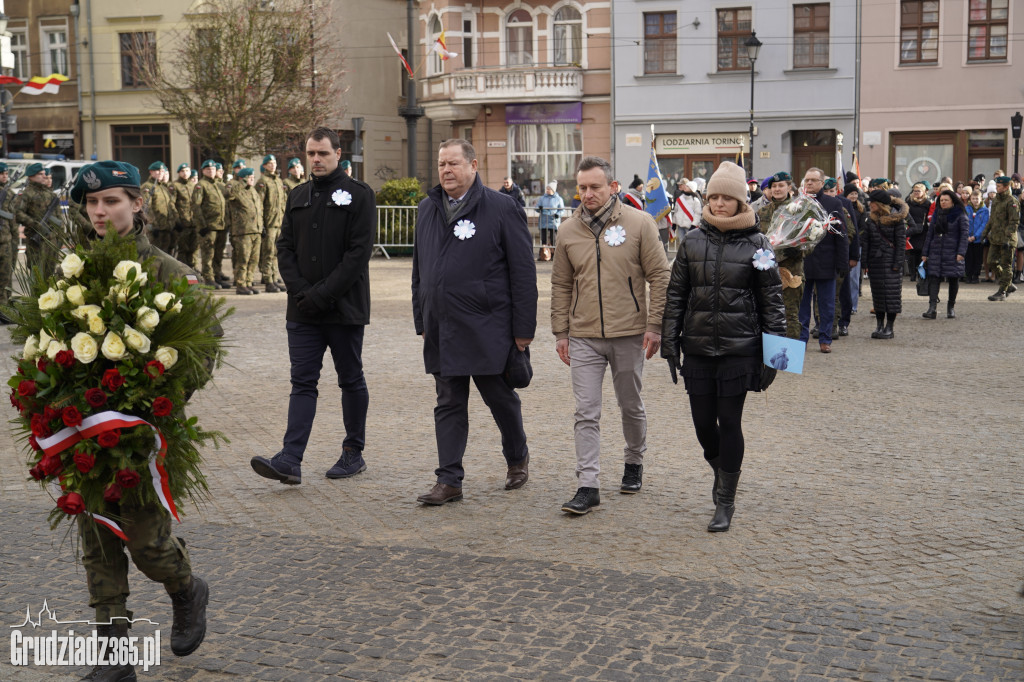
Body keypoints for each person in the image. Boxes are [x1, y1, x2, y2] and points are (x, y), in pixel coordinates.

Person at [69, 160, 214, 679]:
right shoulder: (75, 275)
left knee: (146, 542)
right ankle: (114, 658)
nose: (101, 211)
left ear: (137, 204)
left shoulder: (171, 275)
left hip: (143, 436)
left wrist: (149, 401)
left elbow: (200, 357)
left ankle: (186, 587)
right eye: (92, 203)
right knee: (97, 540)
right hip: (84, 431)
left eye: (111, 200)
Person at [661, 161, 785, 532]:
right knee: (703, 426)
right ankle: (722, 470)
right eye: (712, 196)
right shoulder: (691, 241)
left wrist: (777, 357)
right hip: (698, 347)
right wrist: (670, 343)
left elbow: (773, 302)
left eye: (726, 198)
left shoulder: (758, 243)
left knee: (729, 421)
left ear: (740, 202)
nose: (717, 204)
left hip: (740, 349)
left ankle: (726, 500)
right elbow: (676, 296)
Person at [410, 140, 536, 505]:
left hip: (488, 327)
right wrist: (422, 318)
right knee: (448, 401)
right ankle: (449, 480)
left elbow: (523, 274)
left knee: (500, 398)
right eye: (440, 164)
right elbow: (420, 270)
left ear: (473, 165)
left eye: (453, 163)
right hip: (441, 327)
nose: (445, 170)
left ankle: (517, 458)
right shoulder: (427, 208)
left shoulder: (501, 207)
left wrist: (523, 330)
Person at [250, 127, 376, 484]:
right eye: (311, 154)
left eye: (323, 153)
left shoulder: (360, 195)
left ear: (339, 154)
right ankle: (290, 459)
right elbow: (284, 247)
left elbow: (357, 255)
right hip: (303, 309)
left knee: (350, 379)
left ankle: (353, 452)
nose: (316, 160)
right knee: (302, 382)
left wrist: (322, 294)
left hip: (344, 308)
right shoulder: (298, 195)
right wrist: (302, 291)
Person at [550, 155, 669, 515]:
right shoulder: (568, 230)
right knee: (586, 411)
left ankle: (634, 460)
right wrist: (561, 331)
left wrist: (655, 325)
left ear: (613, 187)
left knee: (630, 405)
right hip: (583, 334)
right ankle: (588, 484)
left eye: (594, 187)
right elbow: (561, 283)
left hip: (629, 332)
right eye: (582, 188)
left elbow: (660, 276)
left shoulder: (640, 223)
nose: (587, 194)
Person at [798, 168, 849, 353]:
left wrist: (843, 263)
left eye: (813, 180)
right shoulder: (798, 203)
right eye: (807, 180)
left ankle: (825, 338)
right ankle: (801, 338)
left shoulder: (833, 202)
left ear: (821, 183)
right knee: (802, 304)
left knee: (827, 304)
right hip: (803, 262)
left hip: (826, 261)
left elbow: (841, 235)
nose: (809, 183)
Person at [758, 171, 803, 339]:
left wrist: (799, 249)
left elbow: (812, 241)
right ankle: (770, 357)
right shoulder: (762, 212)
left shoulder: (799, 210)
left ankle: (789, 358)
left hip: (791, 271)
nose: (777, 189)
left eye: (781, 185)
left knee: (790, 316)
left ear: (789, 187)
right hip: (767, 271)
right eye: (774, 186)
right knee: (768, 314)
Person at [861, 189, 908, 339]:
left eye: (872, 202)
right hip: (875, 262)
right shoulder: (870, 219)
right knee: (878, 296)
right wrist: (865, 263)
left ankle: (889, 327)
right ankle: (879, 325)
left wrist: (897, 264)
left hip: (890, 262)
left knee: (892, 296)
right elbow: (866, 242)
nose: (870, 205)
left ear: (879, 204)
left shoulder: (897, 219)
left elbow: (901, 244)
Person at [921, 189, 968, 319]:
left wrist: (961, 252)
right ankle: (932, 308)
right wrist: (925, 252)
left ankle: (951, 307)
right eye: (941, 200)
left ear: (952, 201)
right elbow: (929, 234)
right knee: (934, 278)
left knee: (953, 279)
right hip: (936, 251)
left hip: (953, 252)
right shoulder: (937, 214)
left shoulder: (960, 215)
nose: (943, 202)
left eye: (946, 200)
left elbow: (964, 236)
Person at [981, 175, 1021, 301]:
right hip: (995, 238)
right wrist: (984, 233)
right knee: (991, 261)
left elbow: (1014, 222)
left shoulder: (1012, 201)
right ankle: (1007, 284)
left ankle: (1002, 291)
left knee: (1006, 265)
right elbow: (992, 219)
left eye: (998, 186)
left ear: (1006, 187)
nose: (996, 188)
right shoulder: (997, 200)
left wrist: (1007, 238)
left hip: (1007, 240)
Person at [191, 160, 229, 289]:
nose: (211, 171)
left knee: (218, 254)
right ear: (203, 171)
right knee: (208, 254)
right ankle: (208, 278)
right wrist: (202, 225)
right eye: (208, 169)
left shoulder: (217, 185)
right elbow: (196, 206)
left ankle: (217, 276)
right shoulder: (201, 185)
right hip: (209, 227)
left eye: (213, 169)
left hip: (220, 225)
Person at [228, 167, 263, 296]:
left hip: (256, 230)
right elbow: (229, 194)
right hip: (243, 231)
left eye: (253, 177)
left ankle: (248, 282)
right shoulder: (237, 189)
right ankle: (240, 284)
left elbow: (259, 209)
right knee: (243, 259)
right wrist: (241, 182)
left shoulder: (253, 191)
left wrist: (261, 227)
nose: (252, 180)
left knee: (253, 260)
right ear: (243, 178)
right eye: (250, 177)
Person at [13, 163, 55, 271]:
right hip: (35, 240)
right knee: (37, 277)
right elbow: (18, 213)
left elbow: (56, 215)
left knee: (50, 275)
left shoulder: (48, 193)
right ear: (31, 176)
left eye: (44, 173)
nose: (44, 176)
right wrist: (35, 224)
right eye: (41, 174)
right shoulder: (26, 193)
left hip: (50, 240)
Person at [255, 154, 287, 293]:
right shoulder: (262, 182)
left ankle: (274, 278)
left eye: (274, 162)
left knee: (276, 252)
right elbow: (259, 204)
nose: (272, 165)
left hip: (278, 222)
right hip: (269, 222)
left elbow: (284, 202)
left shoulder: (279, 181)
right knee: (268, 252)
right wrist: (261, 224)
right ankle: (268, 280)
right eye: (269, 163)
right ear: (265, 166)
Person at [142, 161, 179, 255]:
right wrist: (152, 225)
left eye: (162, 171)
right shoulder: (148, 186)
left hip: (167, 227)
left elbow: (170, 205)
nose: (160, 173)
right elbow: (146, 207)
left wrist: (176, 220)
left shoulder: (163, 187)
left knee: (167, 255)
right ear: (151, 172)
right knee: (155, 256)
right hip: (156, 229)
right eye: (157, 171)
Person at [905, 182, 932, 281]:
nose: (916, 193)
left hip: (923, 230)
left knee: (922, 252)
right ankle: (912, 273)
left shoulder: (927, 203)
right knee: (912, 253)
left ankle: (921, 273)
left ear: (924, 192)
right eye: (915, 191)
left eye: (918, 191)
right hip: (912, 229)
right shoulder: (909, 202)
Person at [173, 163, 196, 268]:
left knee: (193, 249)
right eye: (182, 171)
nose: (185, 173)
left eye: (187, 171)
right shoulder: (175, 186)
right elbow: (171, 204)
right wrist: (177, 221)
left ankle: (193, 269)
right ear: (179, 173)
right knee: (183, 249)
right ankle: (182, 271)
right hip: (183, 223)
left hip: (194, 223)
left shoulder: (193, 185)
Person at [535, 181, 564, 260]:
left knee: (553, 239)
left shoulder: (558, 199)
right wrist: (539, 208)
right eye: (547, 189)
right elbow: (537, 207)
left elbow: (562, 210)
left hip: (553, 222)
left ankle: (554, 255)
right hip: (543, 221)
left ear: (553, 190)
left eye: (549, 189)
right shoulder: (542, 198)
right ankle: (542, 255)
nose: (547, 190)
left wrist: (558, 214)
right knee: (543, 239)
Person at [965, 189, 989, 283]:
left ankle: (976, 275)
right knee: (968, 257)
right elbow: (964, 223)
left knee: (977, 258)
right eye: (973, 198)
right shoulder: (967, 209)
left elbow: (984, 224)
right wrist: (967, 236)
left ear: (981, 199)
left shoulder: (984, 210)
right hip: (968, 238)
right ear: (970, 199)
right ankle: (968, 275)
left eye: (977, 198)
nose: (975, 200)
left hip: (978, 239)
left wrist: (976, 236)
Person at [0, 162, 14, 312]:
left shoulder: (8, 193)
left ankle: (3, 310)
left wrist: (14, 239)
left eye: (6, 174)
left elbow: (12, 218)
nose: (5, 176)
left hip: (6, 241)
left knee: (5, 278)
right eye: (2, 174)